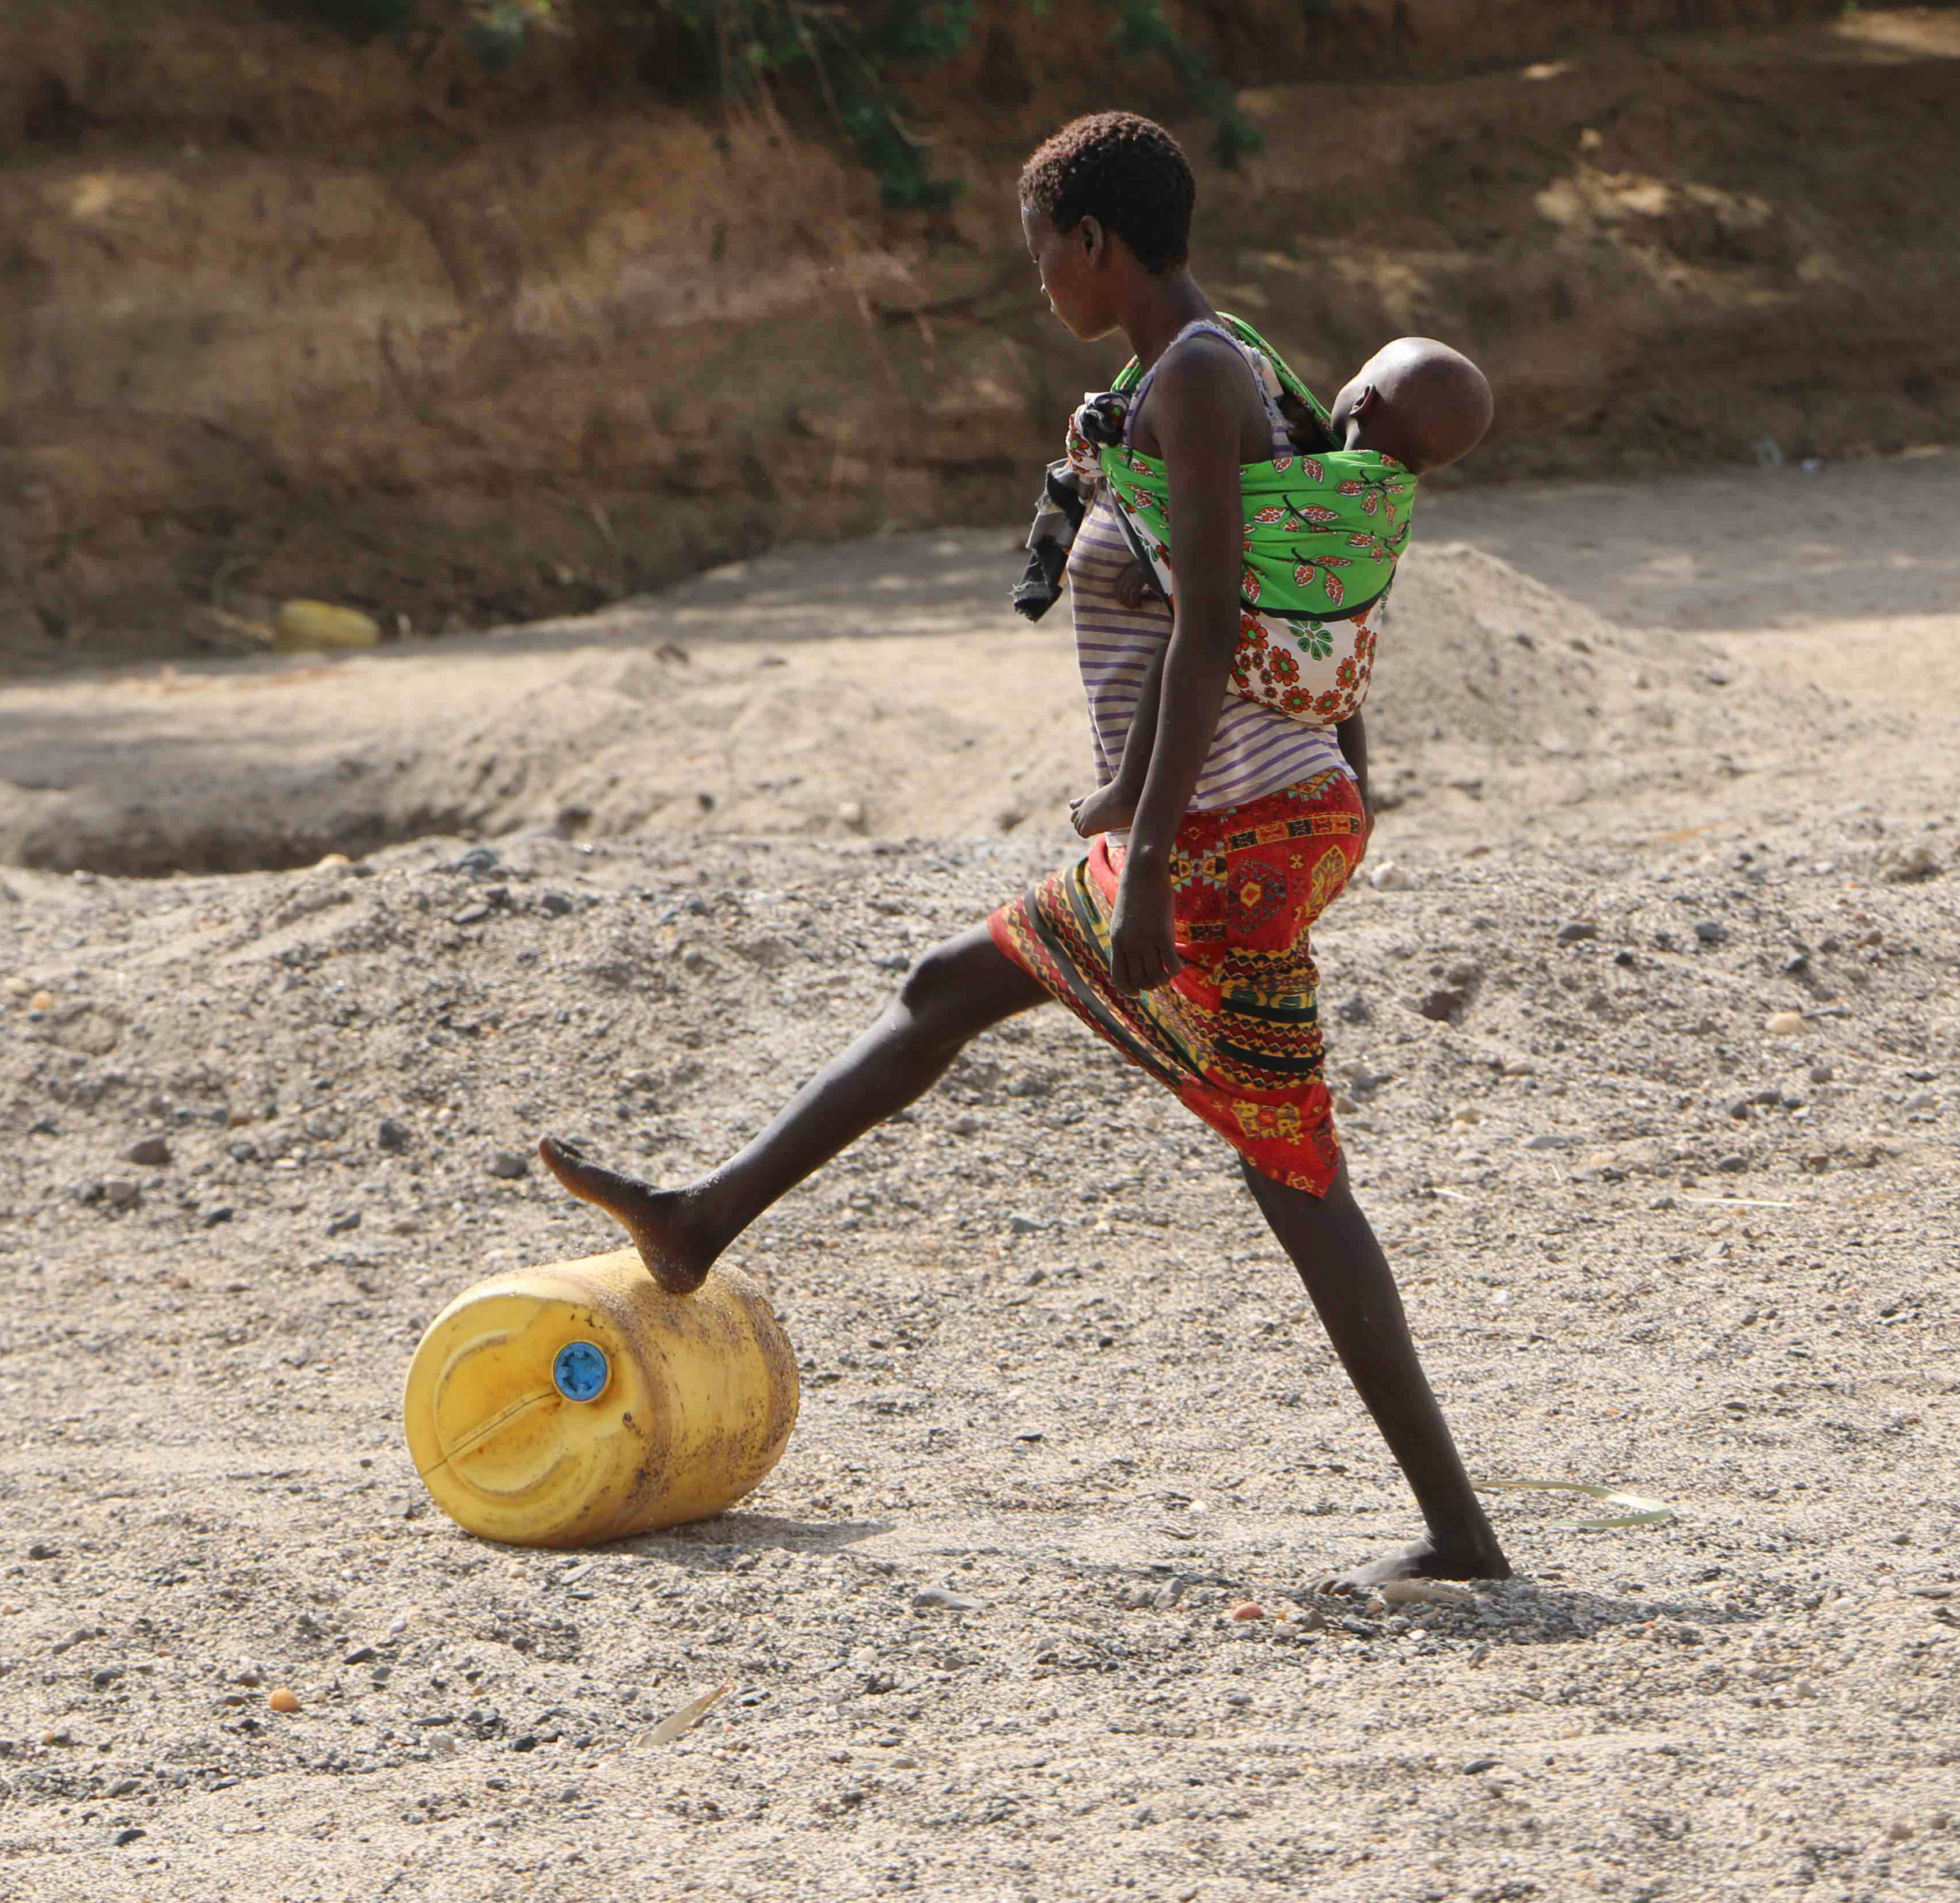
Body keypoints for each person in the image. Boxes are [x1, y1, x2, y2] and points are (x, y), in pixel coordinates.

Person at [539, 111, 1511, 1587]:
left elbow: (1204, 634)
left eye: (1040, 250)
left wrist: (1157, 845)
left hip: (1226, 835)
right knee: (955, 986)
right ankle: (696, 1219)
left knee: (1292, 1168)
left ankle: (1457, 1532)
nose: (1038, 279)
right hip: (1258, 817)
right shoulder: (1203, 368)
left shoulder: (1197, 374)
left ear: (1092, 242)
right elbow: (1301, 600)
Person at [1070, 333, 1492, 841]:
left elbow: (1238, 528)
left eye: (1360, 370)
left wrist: (1161, 558)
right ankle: (1362, 794)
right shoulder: (1390, 497)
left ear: (1363, 399)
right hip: (1342, 680)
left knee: (1182, 649)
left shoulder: (1321, 478)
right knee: (1344, 674)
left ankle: (1129, 789)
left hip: (1276, 658)